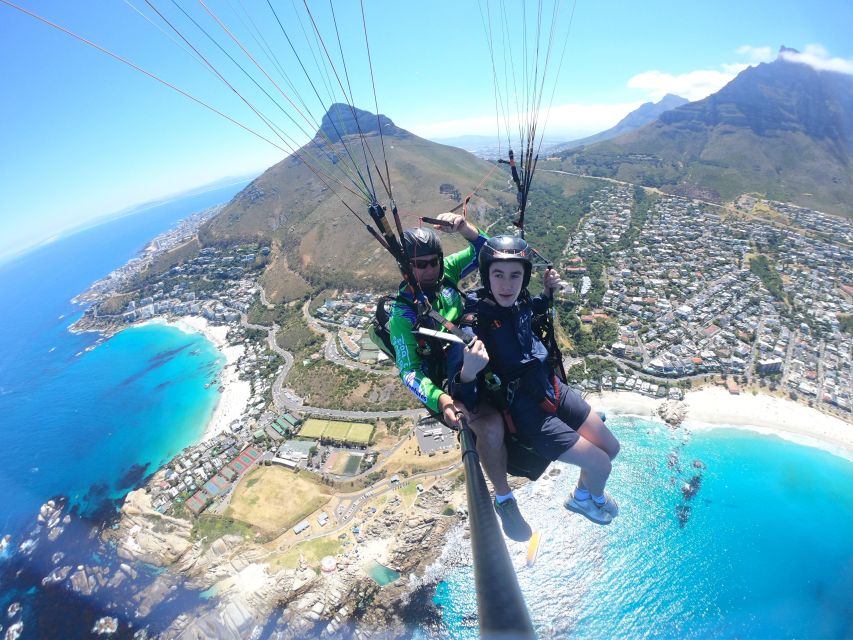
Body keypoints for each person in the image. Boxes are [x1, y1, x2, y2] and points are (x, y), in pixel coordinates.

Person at [448, 235, 621, 525]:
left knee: (612, 449)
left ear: (524, 277)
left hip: (552, 388)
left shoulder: (522, 299)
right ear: (487, 276)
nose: (507, 285)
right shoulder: (474, 322)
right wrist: (468, 371)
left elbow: (531, 312)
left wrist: (548, 292)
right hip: (529, 413)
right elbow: (460, 391)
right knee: (601, 463)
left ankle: (581, 495)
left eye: (515, 275)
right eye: (498, 275)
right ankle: (594, 499)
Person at [388, 215, 532, 541]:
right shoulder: (403, 315)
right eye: (419, 265)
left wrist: (465, 229)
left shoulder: (447, 273)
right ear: (406, 269)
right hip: (451, 380)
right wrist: (441, 399)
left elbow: (491, 251)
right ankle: (504, 497)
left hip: (479, 354)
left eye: (433, 263)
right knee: (491, 426)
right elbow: (409, 371)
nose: (429, 270)